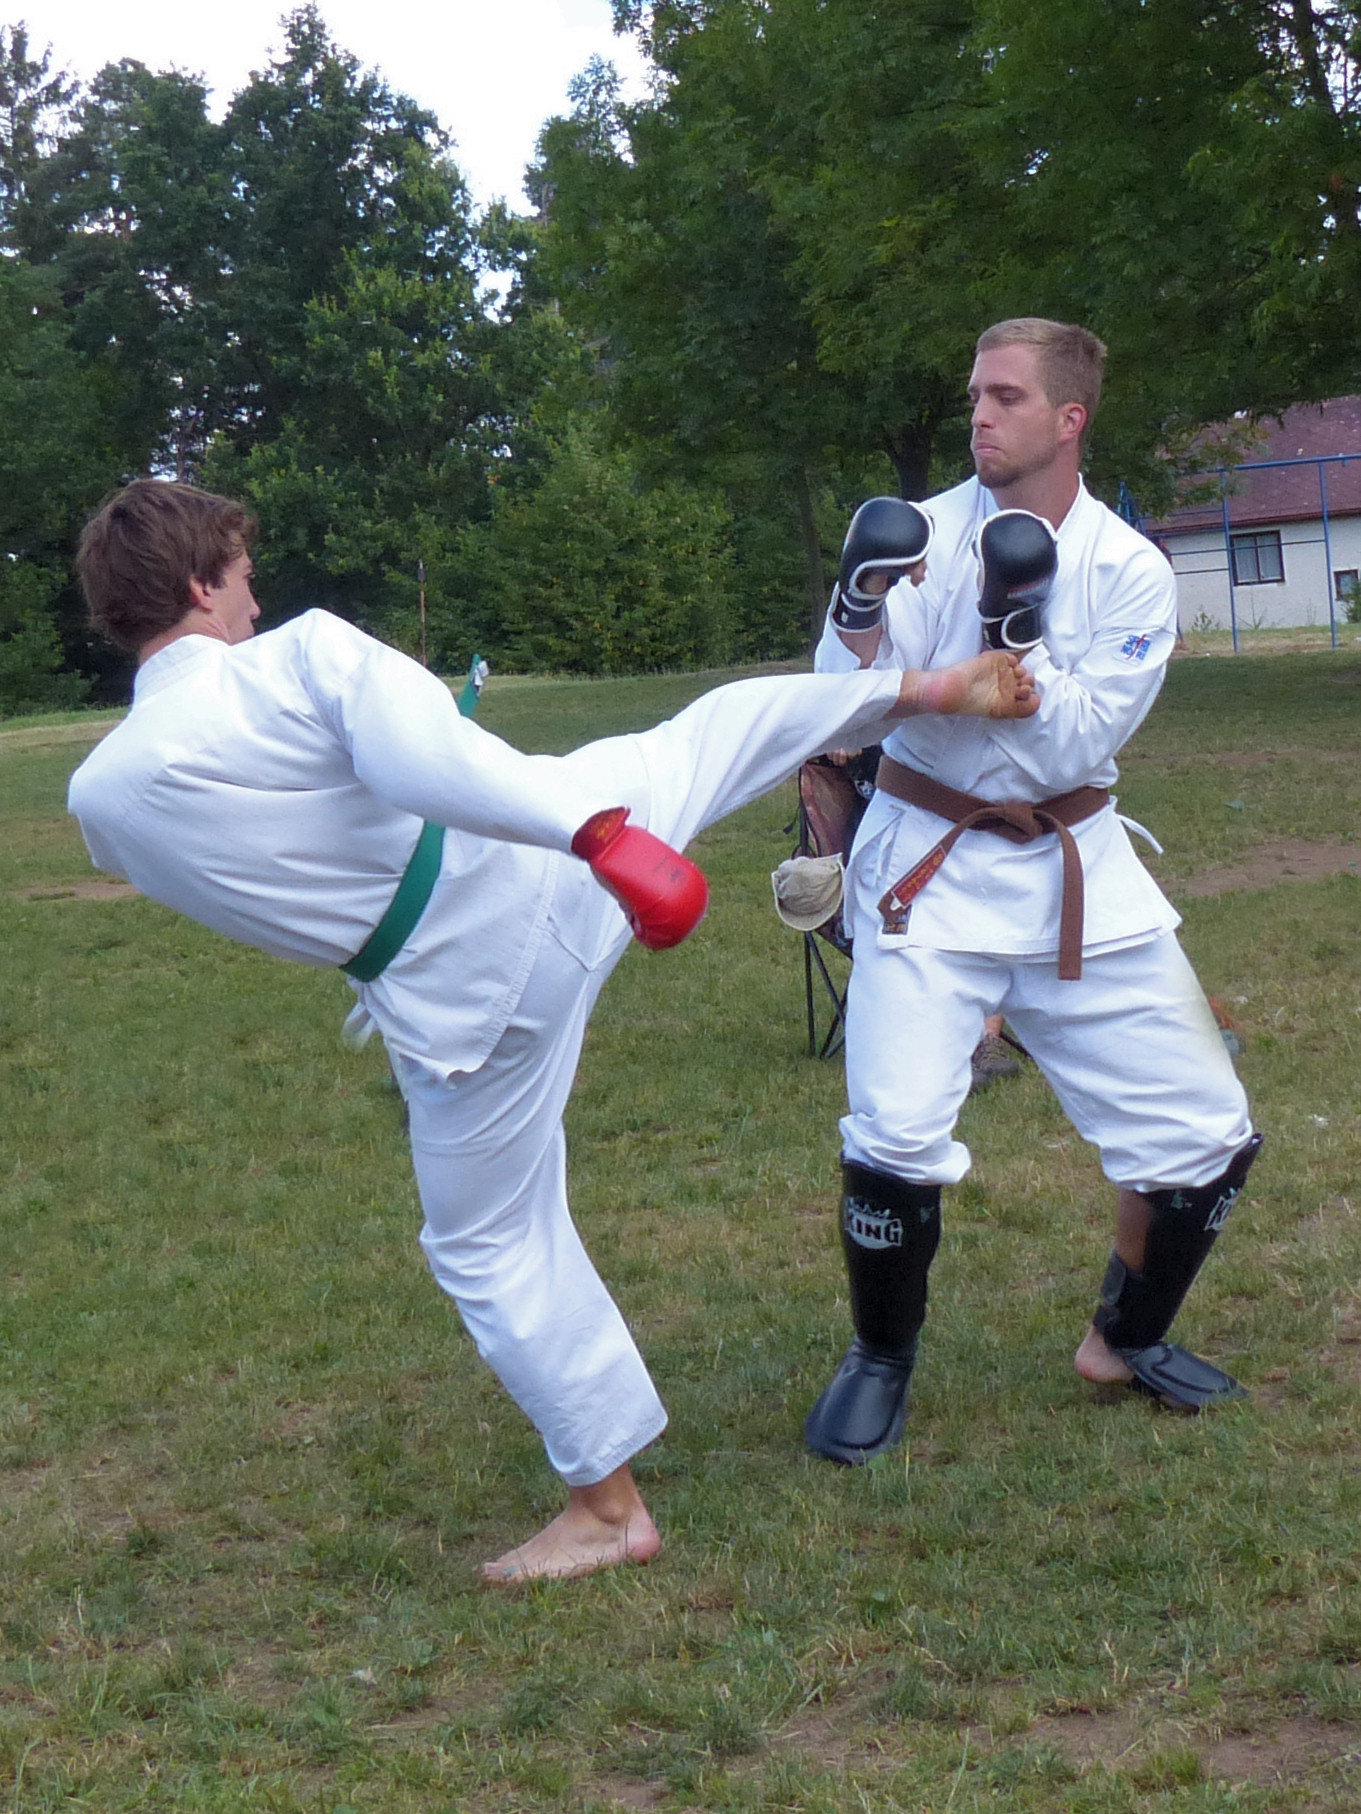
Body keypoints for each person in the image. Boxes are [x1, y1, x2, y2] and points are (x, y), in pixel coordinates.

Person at [66, 479, 1037, 1579]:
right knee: (719, 728)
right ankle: (924, 687)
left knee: (489, 1241)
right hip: (559, 858)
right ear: (201, 586)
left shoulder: (105, 798)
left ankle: (608, 1507)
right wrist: (594, 834)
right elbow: (418, 757)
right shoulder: (302, 654)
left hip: (458, 1001)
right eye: (242, 578)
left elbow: (308, 839)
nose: (254, 600)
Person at [804, 318, 1261, 1467]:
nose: (978, 414)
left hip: (1075, 870)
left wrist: (1019, 636)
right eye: (973, 393)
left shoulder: (1129, 569)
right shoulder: (921, 533)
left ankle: (1126, 1334)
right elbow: (840, 708)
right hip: (927, 860)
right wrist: (859, 607)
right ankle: (878, 1355)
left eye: (1004, 396)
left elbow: (1075, 741)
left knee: (1204, 1130)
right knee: (893, 1130)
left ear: (1068, 418)